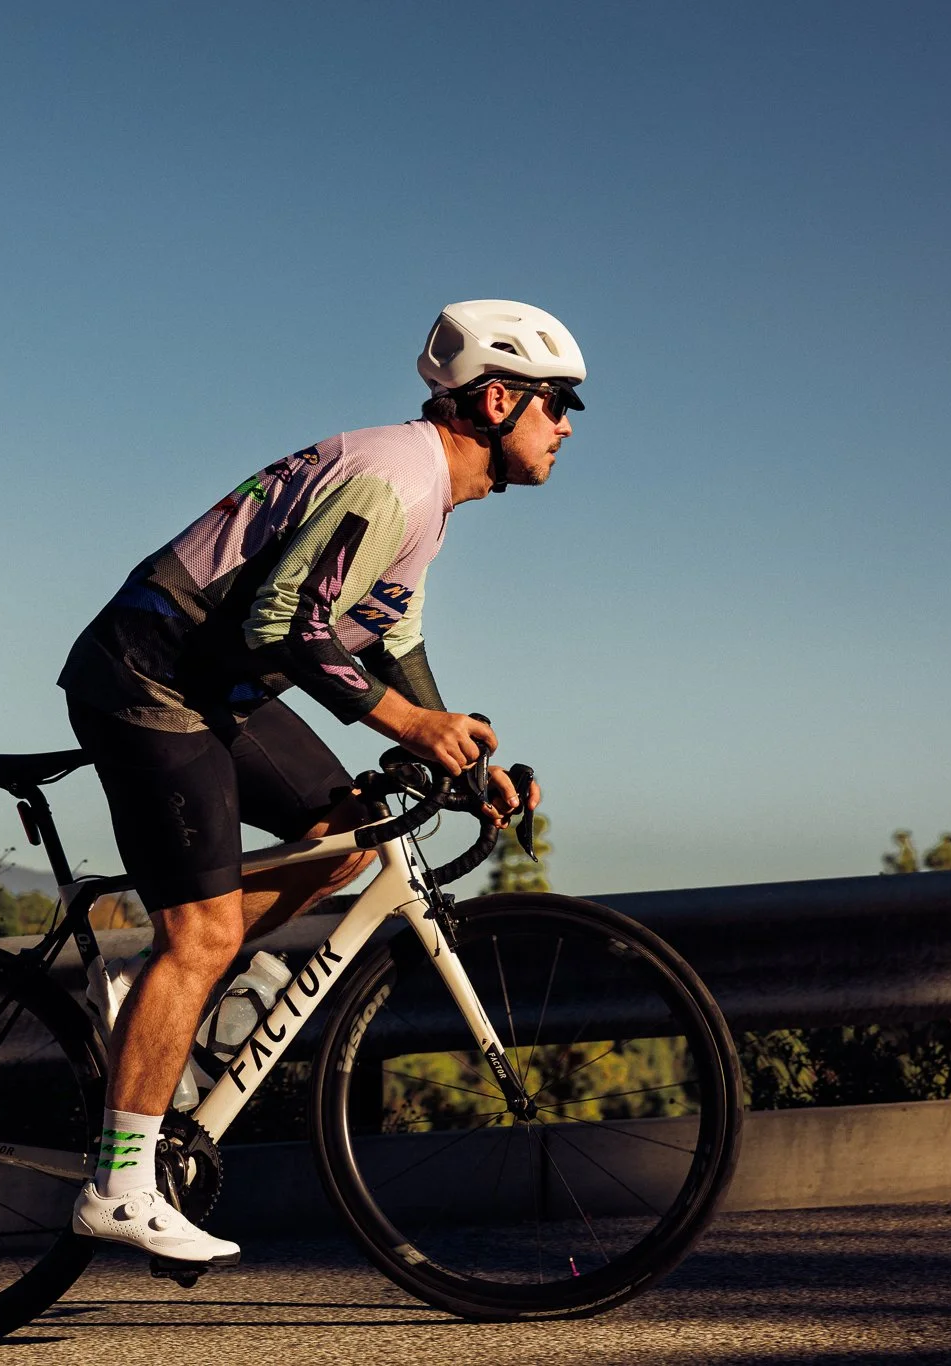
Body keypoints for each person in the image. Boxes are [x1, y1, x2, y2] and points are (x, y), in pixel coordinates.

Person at [58, 300, 579, 1265]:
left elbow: (391, 639)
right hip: (147, 677)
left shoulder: (426, 495)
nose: (568, 428)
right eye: (558, 403)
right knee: (203, 933)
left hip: (218, 686)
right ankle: (118, 1184)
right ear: (498, 399)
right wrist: (412, 726)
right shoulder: (395, 479)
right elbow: (286, 623)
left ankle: (147, 989)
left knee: (348, 833)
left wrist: (464, 764)